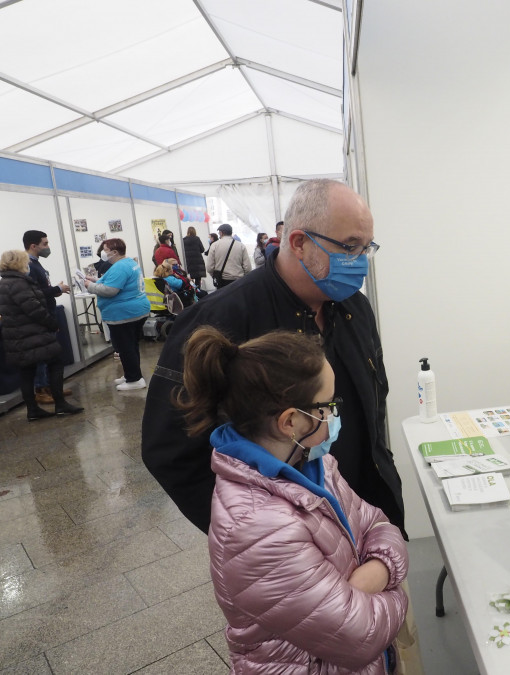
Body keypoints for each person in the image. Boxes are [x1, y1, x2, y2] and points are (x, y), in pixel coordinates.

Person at [141, 179, 401, 537]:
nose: (359, 263)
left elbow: (375, 402)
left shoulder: (354, 308)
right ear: (298, 242)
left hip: (368, 514)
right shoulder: (220, 320)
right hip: (292, 542)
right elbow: (171, 450)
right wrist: (257, 537)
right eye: (349, 247)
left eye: (366, 248)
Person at [178, 325, 408, 673]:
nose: (333, 416)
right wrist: (399, 589)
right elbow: (361, 636)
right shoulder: (257, 527)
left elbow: (377, 523)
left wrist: (371, 577)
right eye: (328, 405)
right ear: (290, 421)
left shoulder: (314, 463)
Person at [0, 250, 83, 420]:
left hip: (16, 336)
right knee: (56, 363)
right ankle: (60, 404)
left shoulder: (4, 283)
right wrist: (52, 324)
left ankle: (32, 410)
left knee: (26, 371)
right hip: (33, 333)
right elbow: (34, 309)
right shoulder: (19, 283)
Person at [85, 238, 151, 391]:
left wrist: (90, 286)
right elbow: (113, 282)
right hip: (135, 311)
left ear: (114, 252)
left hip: (124, 315)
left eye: (105, 250)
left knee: (125, 347)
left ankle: (134, 379)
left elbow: (110, 290)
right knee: (131, 345)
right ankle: (131, 374)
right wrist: (95, 280)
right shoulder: (128, 263)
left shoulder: (120, 267)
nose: (103, 253)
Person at [24, 230, 72, 405]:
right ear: (33, 246)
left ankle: (50, 386)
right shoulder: (29, 266)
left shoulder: (37, 264)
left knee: (50, 355)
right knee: (42, 356)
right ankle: (41, 390)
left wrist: (55, 290)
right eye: (45, 244)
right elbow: (32, 295)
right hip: (40, 318)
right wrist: (57, 289)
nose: (48, 247)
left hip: (48, 313)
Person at [206, 223, 251, 287]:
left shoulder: (214, 245)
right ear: (231, 233)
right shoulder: (241, 245)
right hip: (238, 281)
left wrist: (215, 276)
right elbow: (247, 267)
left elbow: (209, 267)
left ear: (221, 233)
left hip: (222, 281)